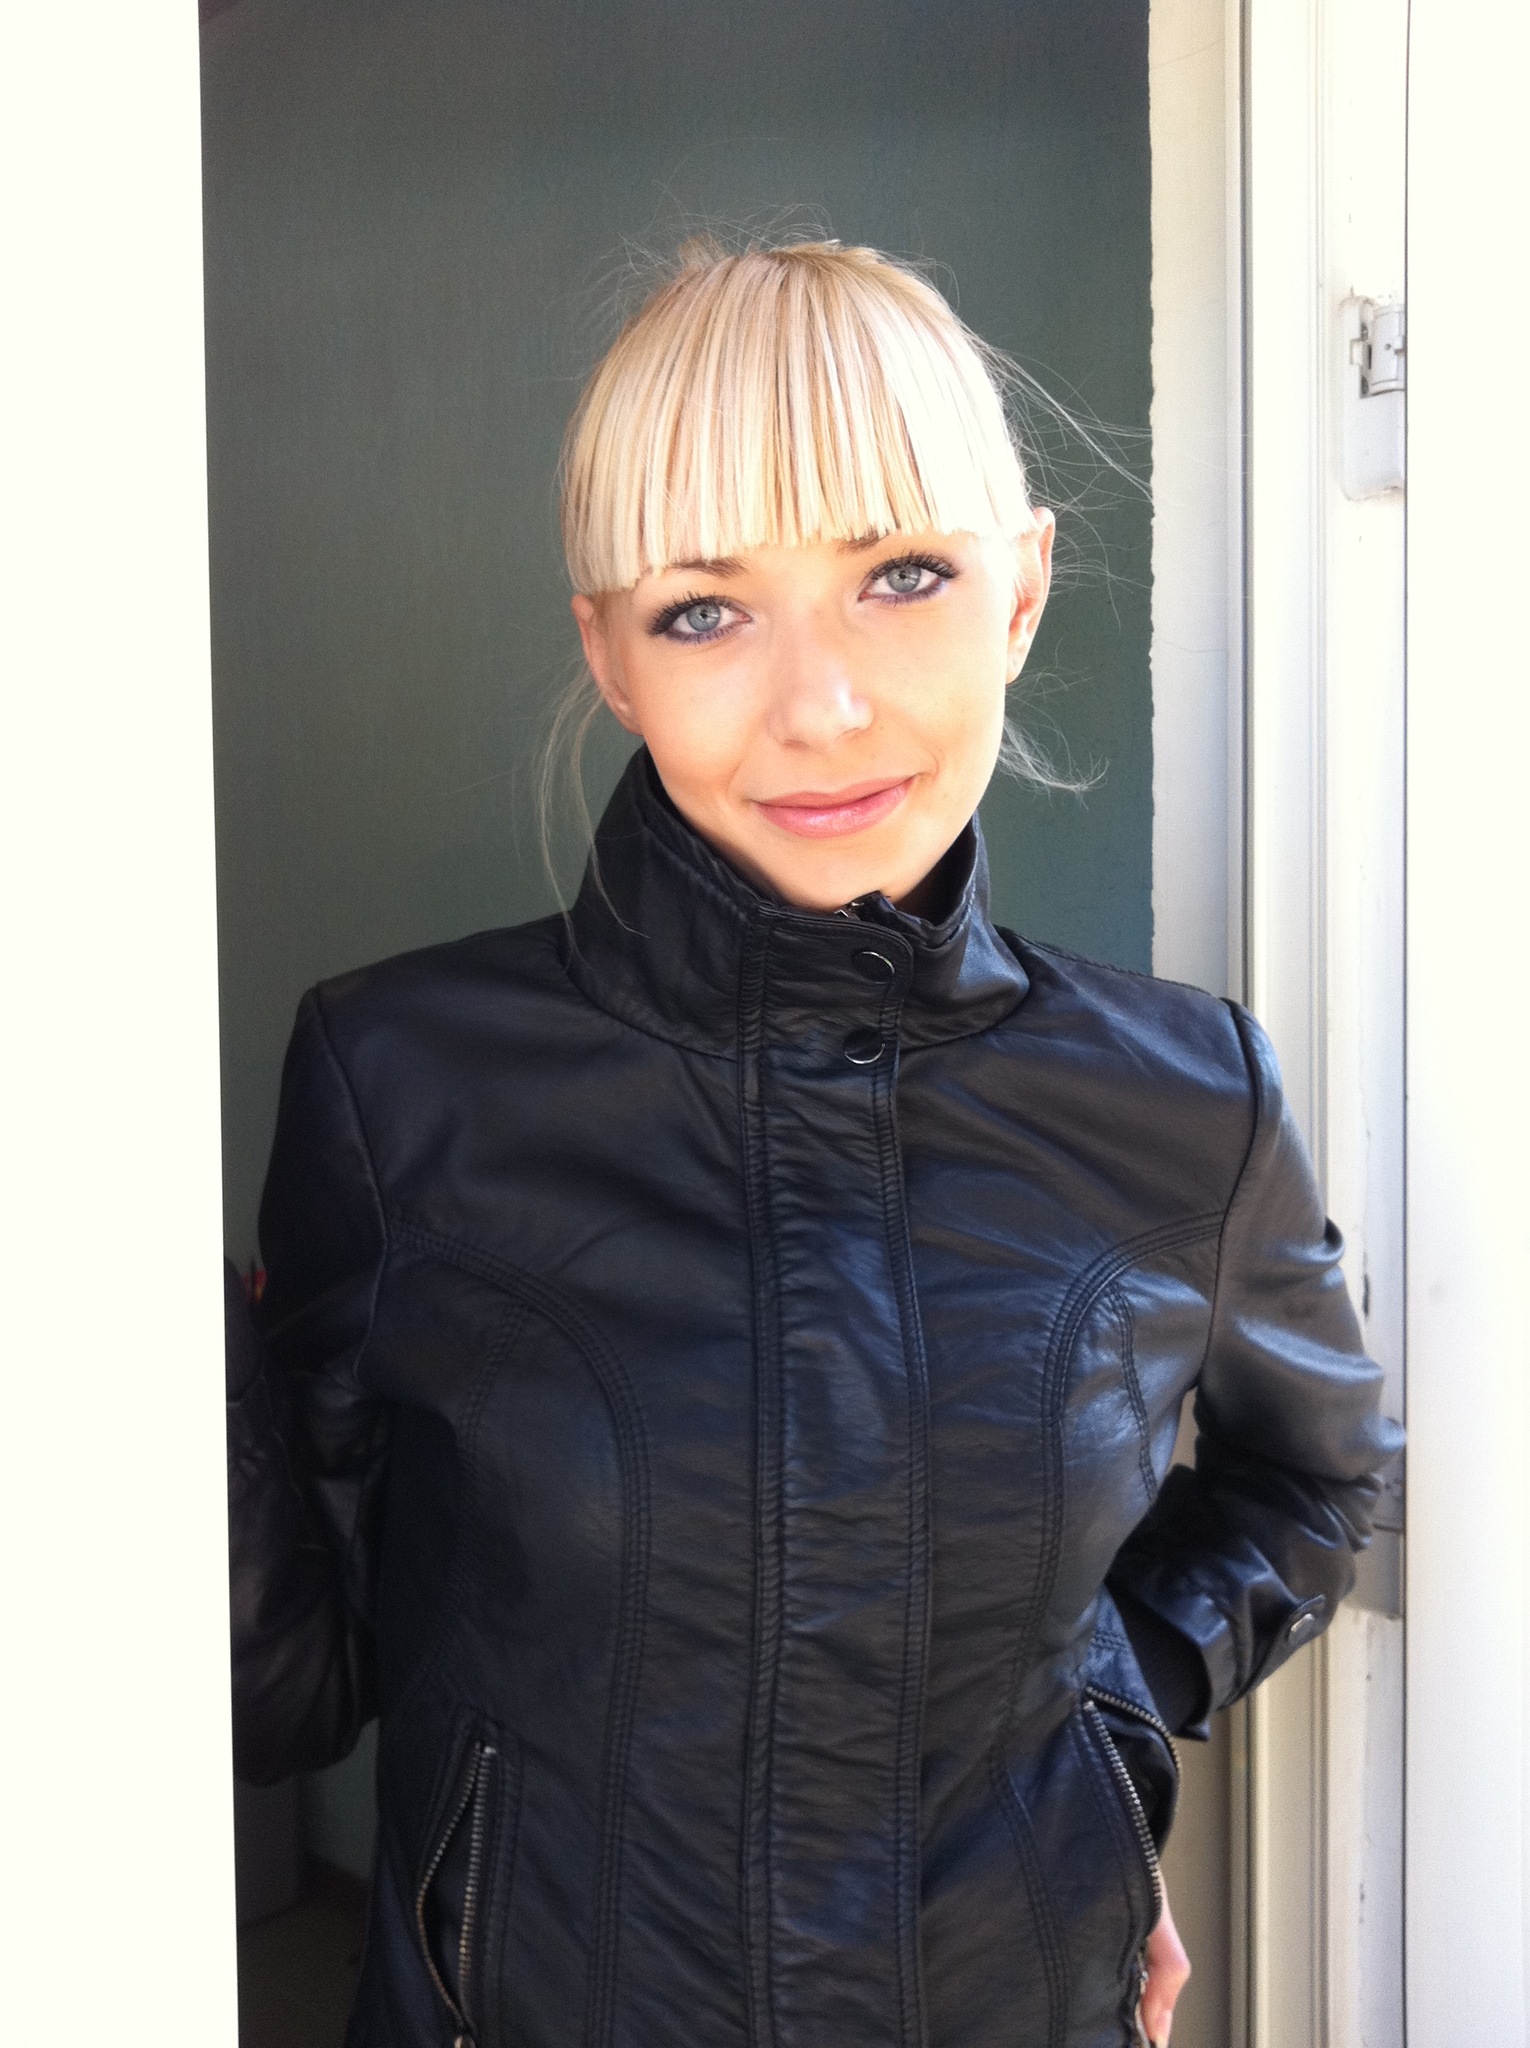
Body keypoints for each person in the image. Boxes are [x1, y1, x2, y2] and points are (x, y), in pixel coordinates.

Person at [226, 238, 1401, 2048]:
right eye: (704, 610)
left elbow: (1313, 1483)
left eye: (900, 576)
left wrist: (1099, 1715)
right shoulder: (398, 1083)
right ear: (608, 656)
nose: (821, 705)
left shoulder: (1189, 1100)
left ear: (1020, 593)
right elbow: (284, 1687)